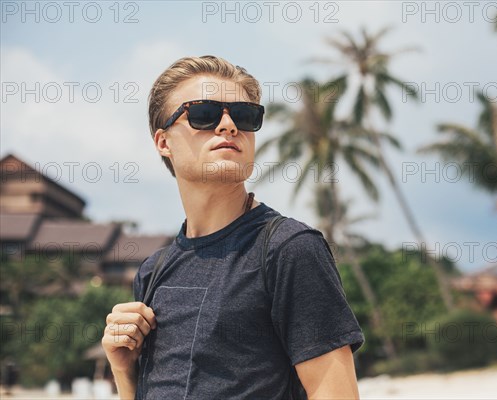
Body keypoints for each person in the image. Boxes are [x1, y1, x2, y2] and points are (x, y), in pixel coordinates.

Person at [102, 55, 364, 399]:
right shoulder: (153, 272)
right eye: (204, 114)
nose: (228, 126)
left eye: (243, 116)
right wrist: (123, 371)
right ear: (163, 142)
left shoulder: (288, 249)